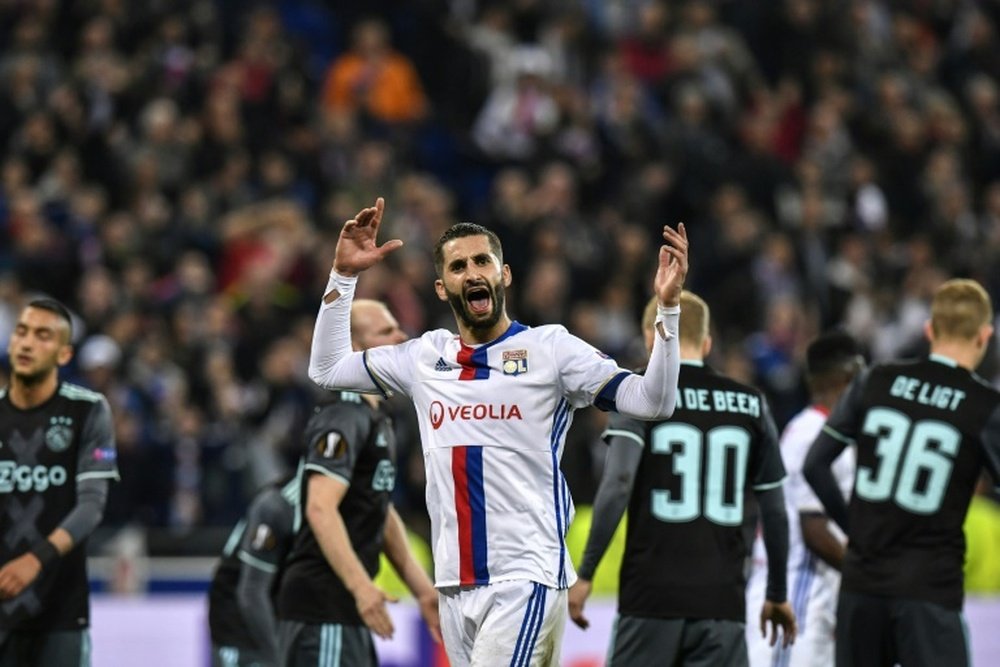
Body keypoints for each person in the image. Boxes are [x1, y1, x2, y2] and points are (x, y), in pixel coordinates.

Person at [307, 197, 687, 665]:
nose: (473, 273)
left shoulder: (551, 350)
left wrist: (668, 311)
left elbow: (654, 401)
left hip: (523, 575)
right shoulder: (424, 357)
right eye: (459, 266)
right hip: (454, 583)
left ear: (504, 275)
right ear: (443, 288)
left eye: (483, 261)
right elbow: (326, 368)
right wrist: (343, 276)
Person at [568, 291, 796, 666]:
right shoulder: (751, 402)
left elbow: (619, 482)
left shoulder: (637, 393)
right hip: (723, 603)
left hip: (651, 598)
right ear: (707, 342)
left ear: (649, 338)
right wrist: (777, 592)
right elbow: (774, 505)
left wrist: (587, 571)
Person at [804, 278, 1000, 667]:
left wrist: (854, 527)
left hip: (861, 586)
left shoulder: (875, 380)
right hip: (928, 590)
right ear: (985, 336)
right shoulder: (985, 406)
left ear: (930, 330)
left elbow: (815, 465)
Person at [277, 299, 440, 667]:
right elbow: (319, 506)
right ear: (354, 350)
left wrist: (423, 591)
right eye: (385, 332)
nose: (401, 337)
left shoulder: (378, 416)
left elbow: (377, 508)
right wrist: (361, 587)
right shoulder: (344, 414)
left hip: (344, 611)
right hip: (323, 610)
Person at [0, 298, 119, 666]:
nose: (27, 342)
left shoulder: (88, 410)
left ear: (64, 355)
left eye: (43, 335)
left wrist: (36, 559)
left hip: (60, 613)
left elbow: (91, 506)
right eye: (21, 332)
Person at [746, 331, 864, 667]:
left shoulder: (818, 430)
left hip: (814, 600)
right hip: (798, 599)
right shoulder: (814, 434)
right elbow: (814, 532)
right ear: (849, 377)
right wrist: (869, 572)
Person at [208, 475, 298, 666]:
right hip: (237, 622)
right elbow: (251, 592)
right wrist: (280, 658)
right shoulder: (281, 502)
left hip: (271, 617)